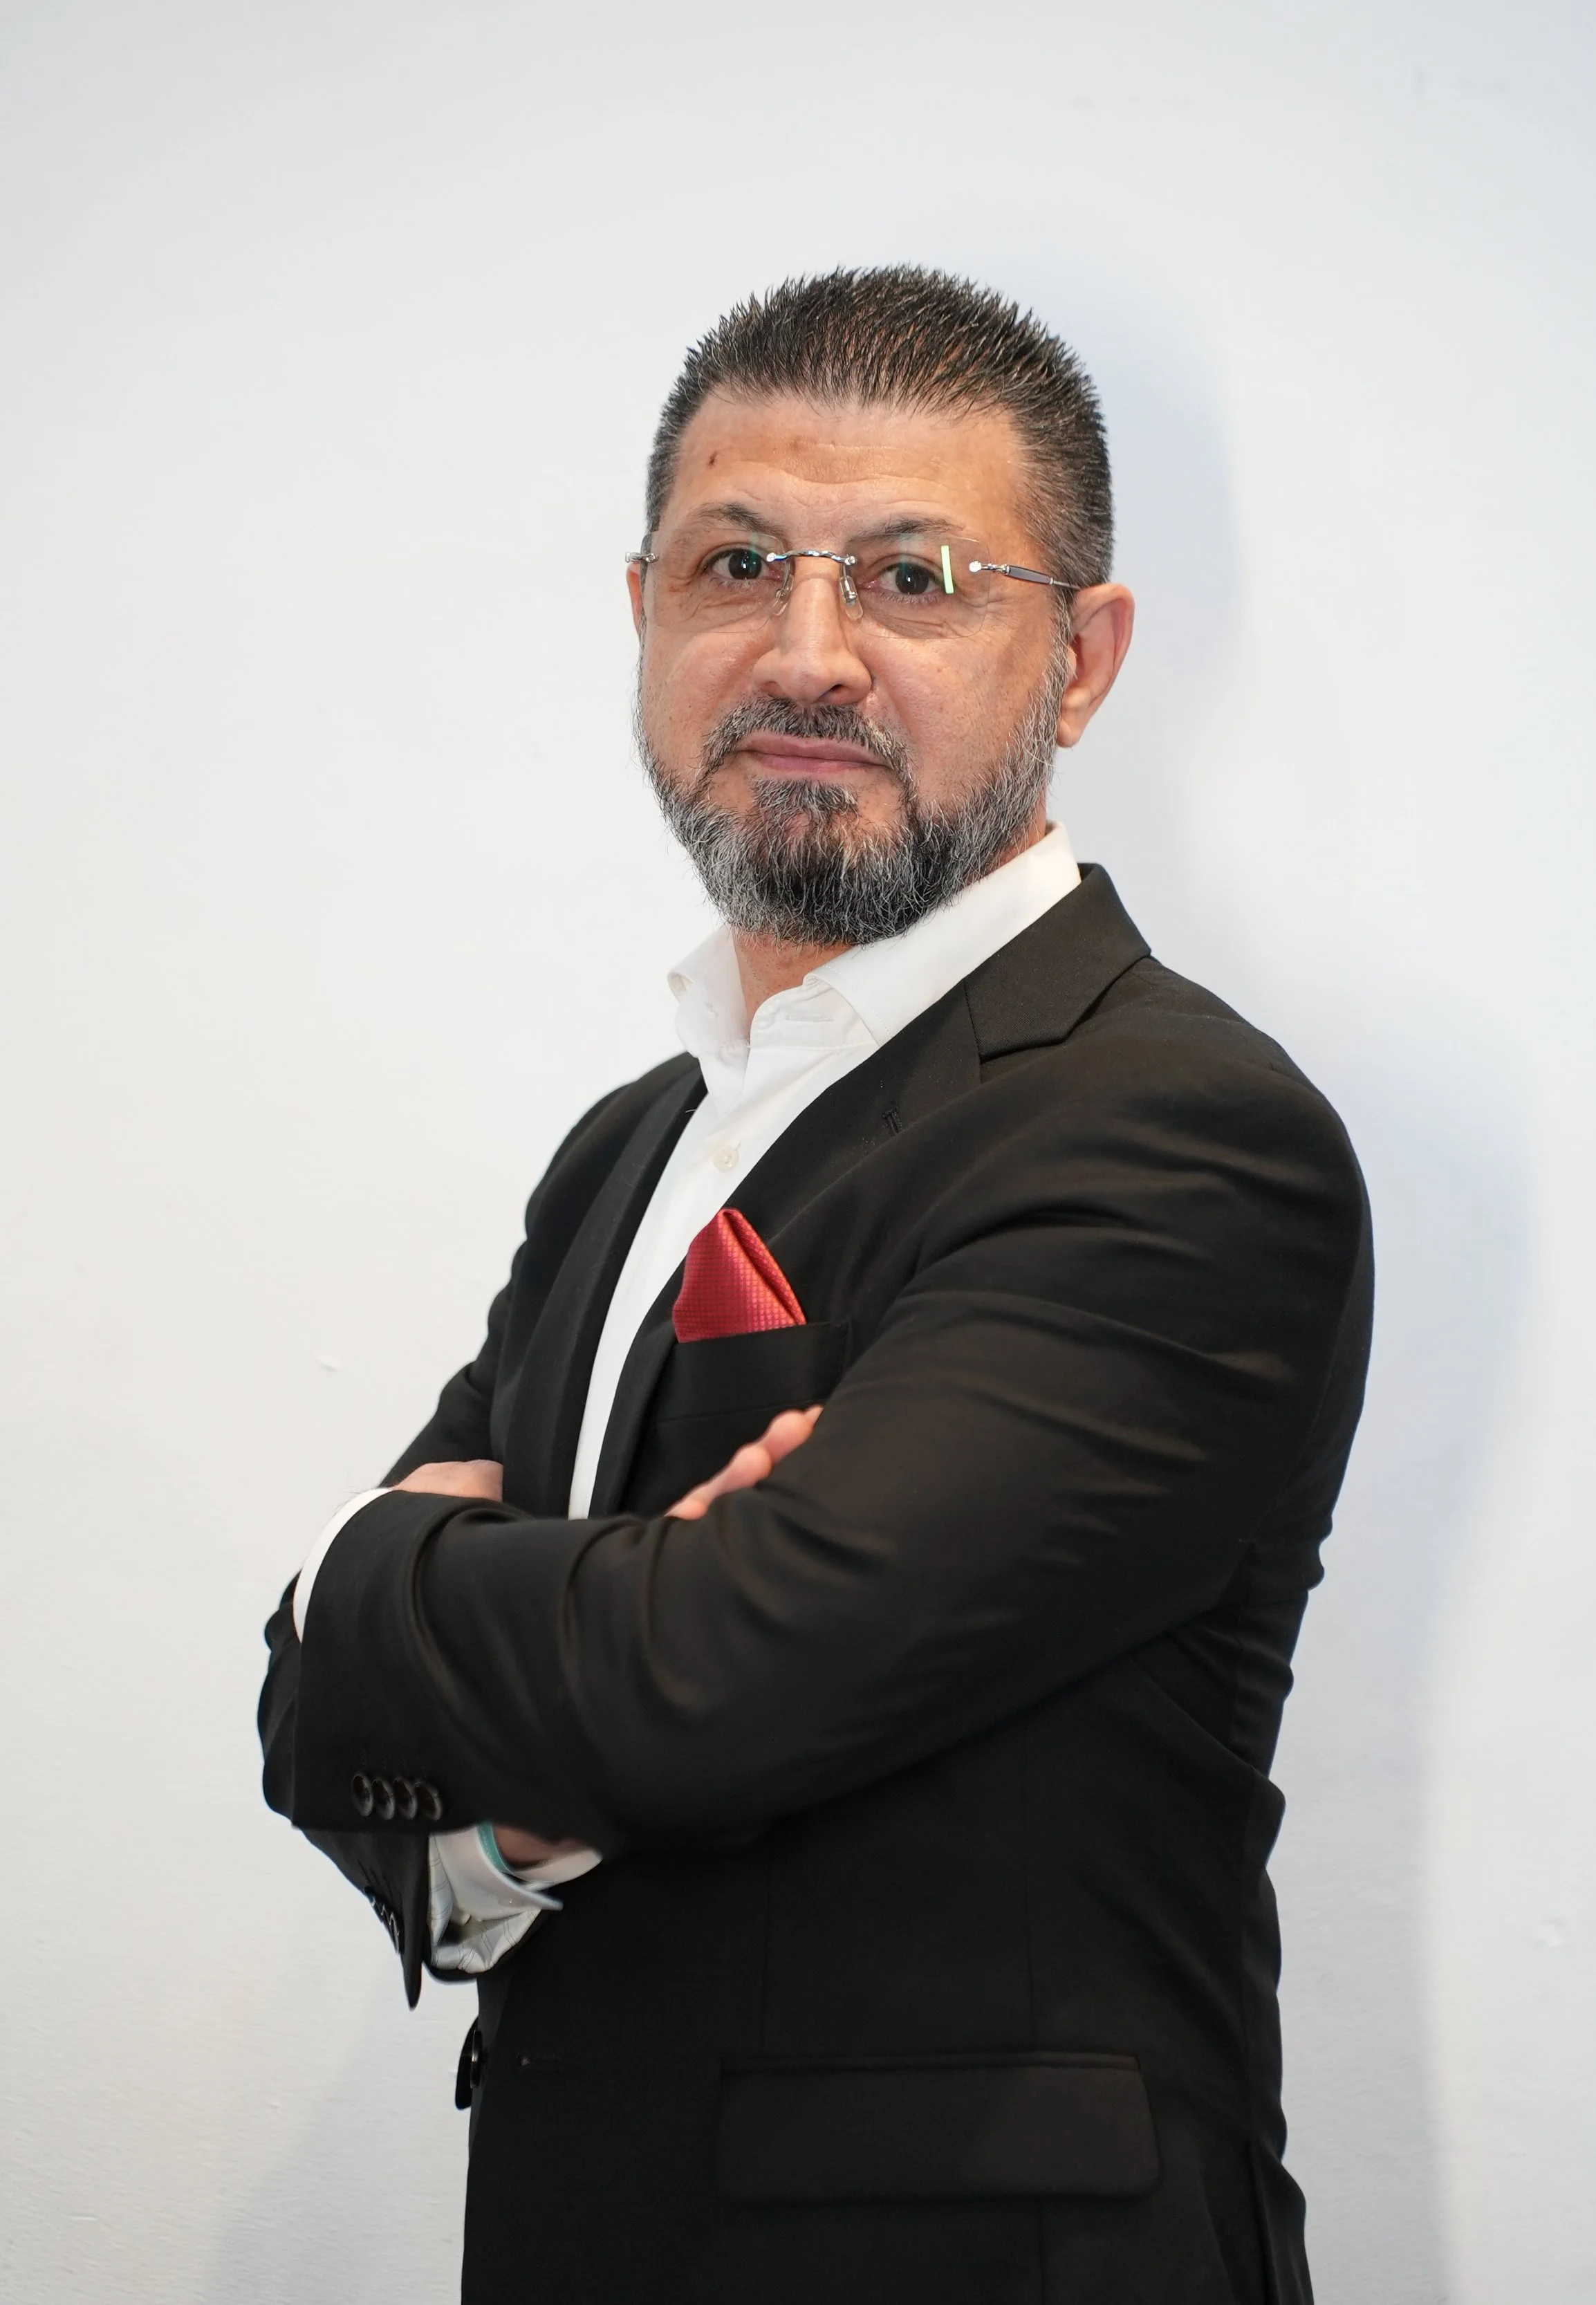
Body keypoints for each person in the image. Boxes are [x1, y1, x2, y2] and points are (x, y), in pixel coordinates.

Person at [259, 266, 1372, 2305]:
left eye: (913, 576)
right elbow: (333, 1727)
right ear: (643, 615)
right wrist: (503, 1787)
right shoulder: (632, 1143)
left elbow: (704, 1681)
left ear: (1082, 656)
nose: (806, 649)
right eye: (735, 562)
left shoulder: (1175, 1132)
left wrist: (358, 1583)